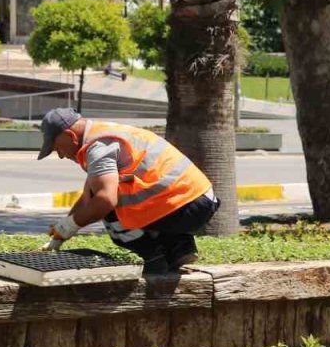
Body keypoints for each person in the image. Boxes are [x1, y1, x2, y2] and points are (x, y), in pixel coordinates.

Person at [37, 108, 219, 274]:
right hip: (199, 200)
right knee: (107, 196)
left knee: (112, 216)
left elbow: (104, 200)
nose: (61, 155)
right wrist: (61, 234)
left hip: (185, 204)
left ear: (70, 135)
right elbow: (88, 198)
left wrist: (68, 226)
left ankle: (154, 259)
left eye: (57, 148)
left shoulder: (98, 147)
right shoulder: (104, 133)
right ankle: (179, 249)